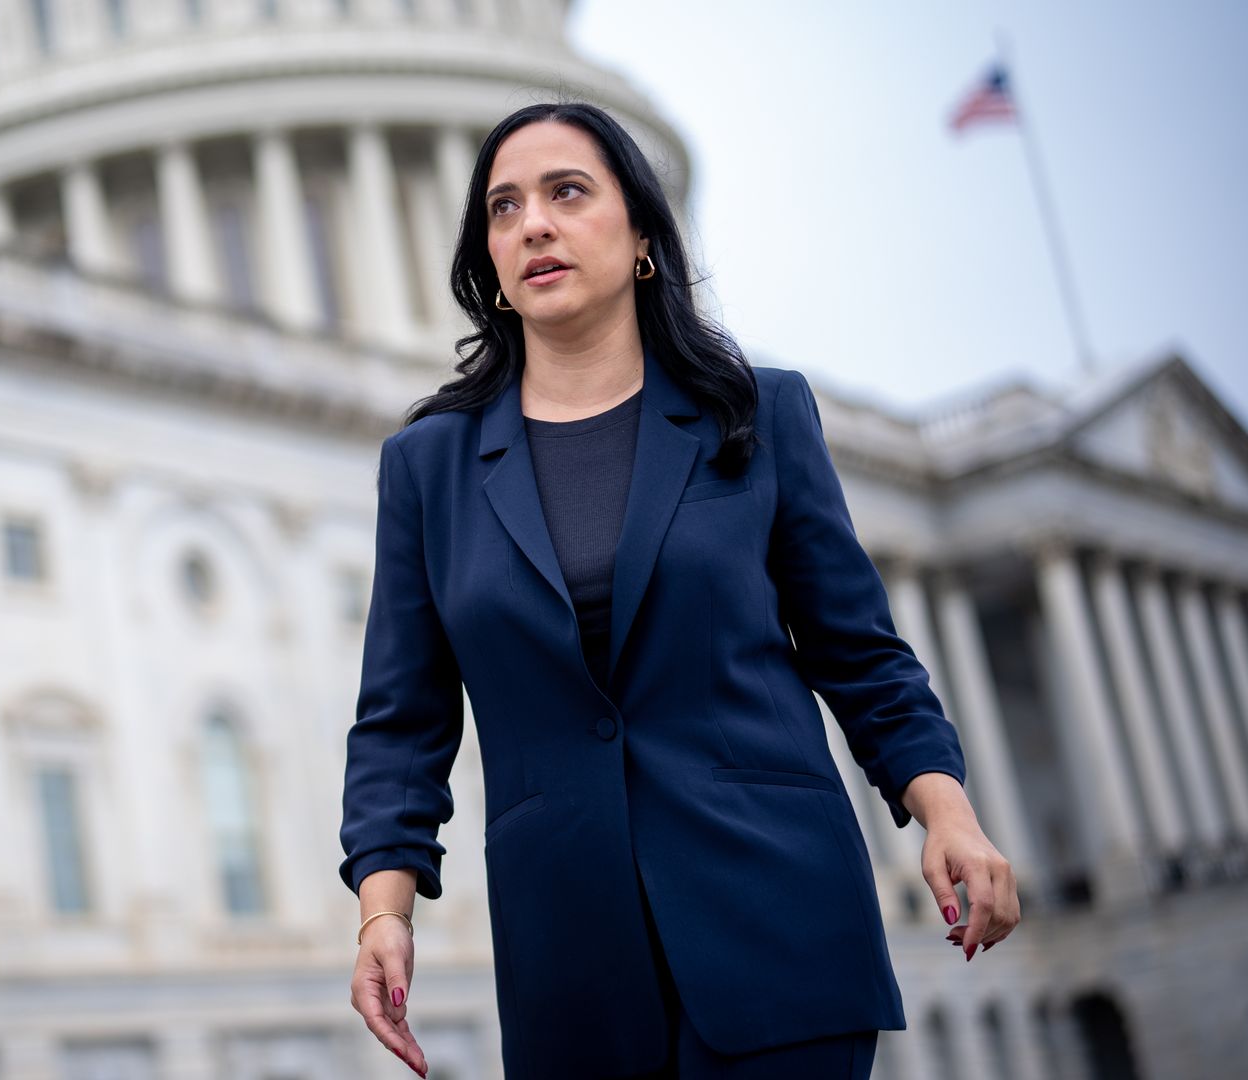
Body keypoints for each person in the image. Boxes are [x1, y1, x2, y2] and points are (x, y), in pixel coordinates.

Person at [337, 101, 1022, 1079]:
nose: (533, 223)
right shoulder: (428, 468)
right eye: (503, 207)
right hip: (570, 967)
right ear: (488, 258)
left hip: (777, 920)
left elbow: (856, 650)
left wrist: (947, 811)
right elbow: (400, 720)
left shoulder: (757, 414)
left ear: (644, 235)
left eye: (567, 192)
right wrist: (383, 910)